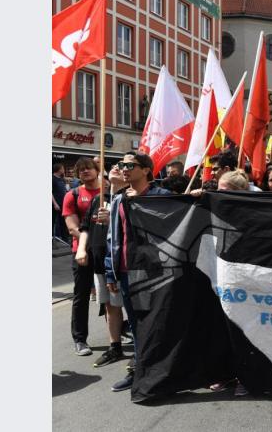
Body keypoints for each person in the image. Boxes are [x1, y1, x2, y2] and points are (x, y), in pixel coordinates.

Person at [105, 151, 172, 392]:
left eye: (130, 165)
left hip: (152, 271)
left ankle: (162, 372)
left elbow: (173, 226)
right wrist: (110, 271)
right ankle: (140, 371)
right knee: (136, 325)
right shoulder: (118, 200)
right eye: (121, 164)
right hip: (124, 271)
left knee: (156, 322)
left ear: (146, 170)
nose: (124, 168)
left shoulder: (161, 196)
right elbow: (113, 237)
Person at [76, 164, 128, 367]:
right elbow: (85, 227)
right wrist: (82, 248)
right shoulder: (100, 198)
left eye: (123, 166)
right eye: (114, 166)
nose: (116, 168)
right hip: (99, 262)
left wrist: (113, 219)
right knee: (110, 305)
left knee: (130, 307)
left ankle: (142, 349)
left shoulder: (129, 198)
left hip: (119, 264)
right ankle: (115, 347)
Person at [63, 157, 102, 357]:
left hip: (106, 251)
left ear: (97, 170)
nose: (85, 172)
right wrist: (88, 242)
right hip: (83, 252)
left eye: (89, 168)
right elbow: (72, 227)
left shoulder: (108, 192)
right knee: (81, 295)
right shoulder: (73, 195)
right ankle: (80, 339)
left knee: (113, 294)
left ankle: (119, 330)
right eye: (81, 171)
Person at [53, 163, 69, 242]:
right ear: (59, 169)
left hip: (63, 203)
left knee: (63, 221)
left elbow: (65, 190)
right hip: (55, 204)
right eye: (62, 168)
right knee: (53, 221)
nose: (63, 170)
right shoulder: (52, 178)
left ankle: (64, 239)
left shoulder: (62, 179)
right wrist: (55, 204)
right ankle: (53, 238)